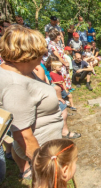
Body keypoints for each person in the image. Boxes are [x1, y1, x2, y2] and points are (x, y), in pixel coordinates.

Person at [0, 25, 64, 179]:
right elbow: (24, 136)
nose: (43, 57)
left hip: (48, 144)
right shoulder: (15, 85)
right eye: (40, 53)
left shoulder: (22, 72)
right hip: (42, 150)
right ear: (27, 54)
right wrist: (45, 167)